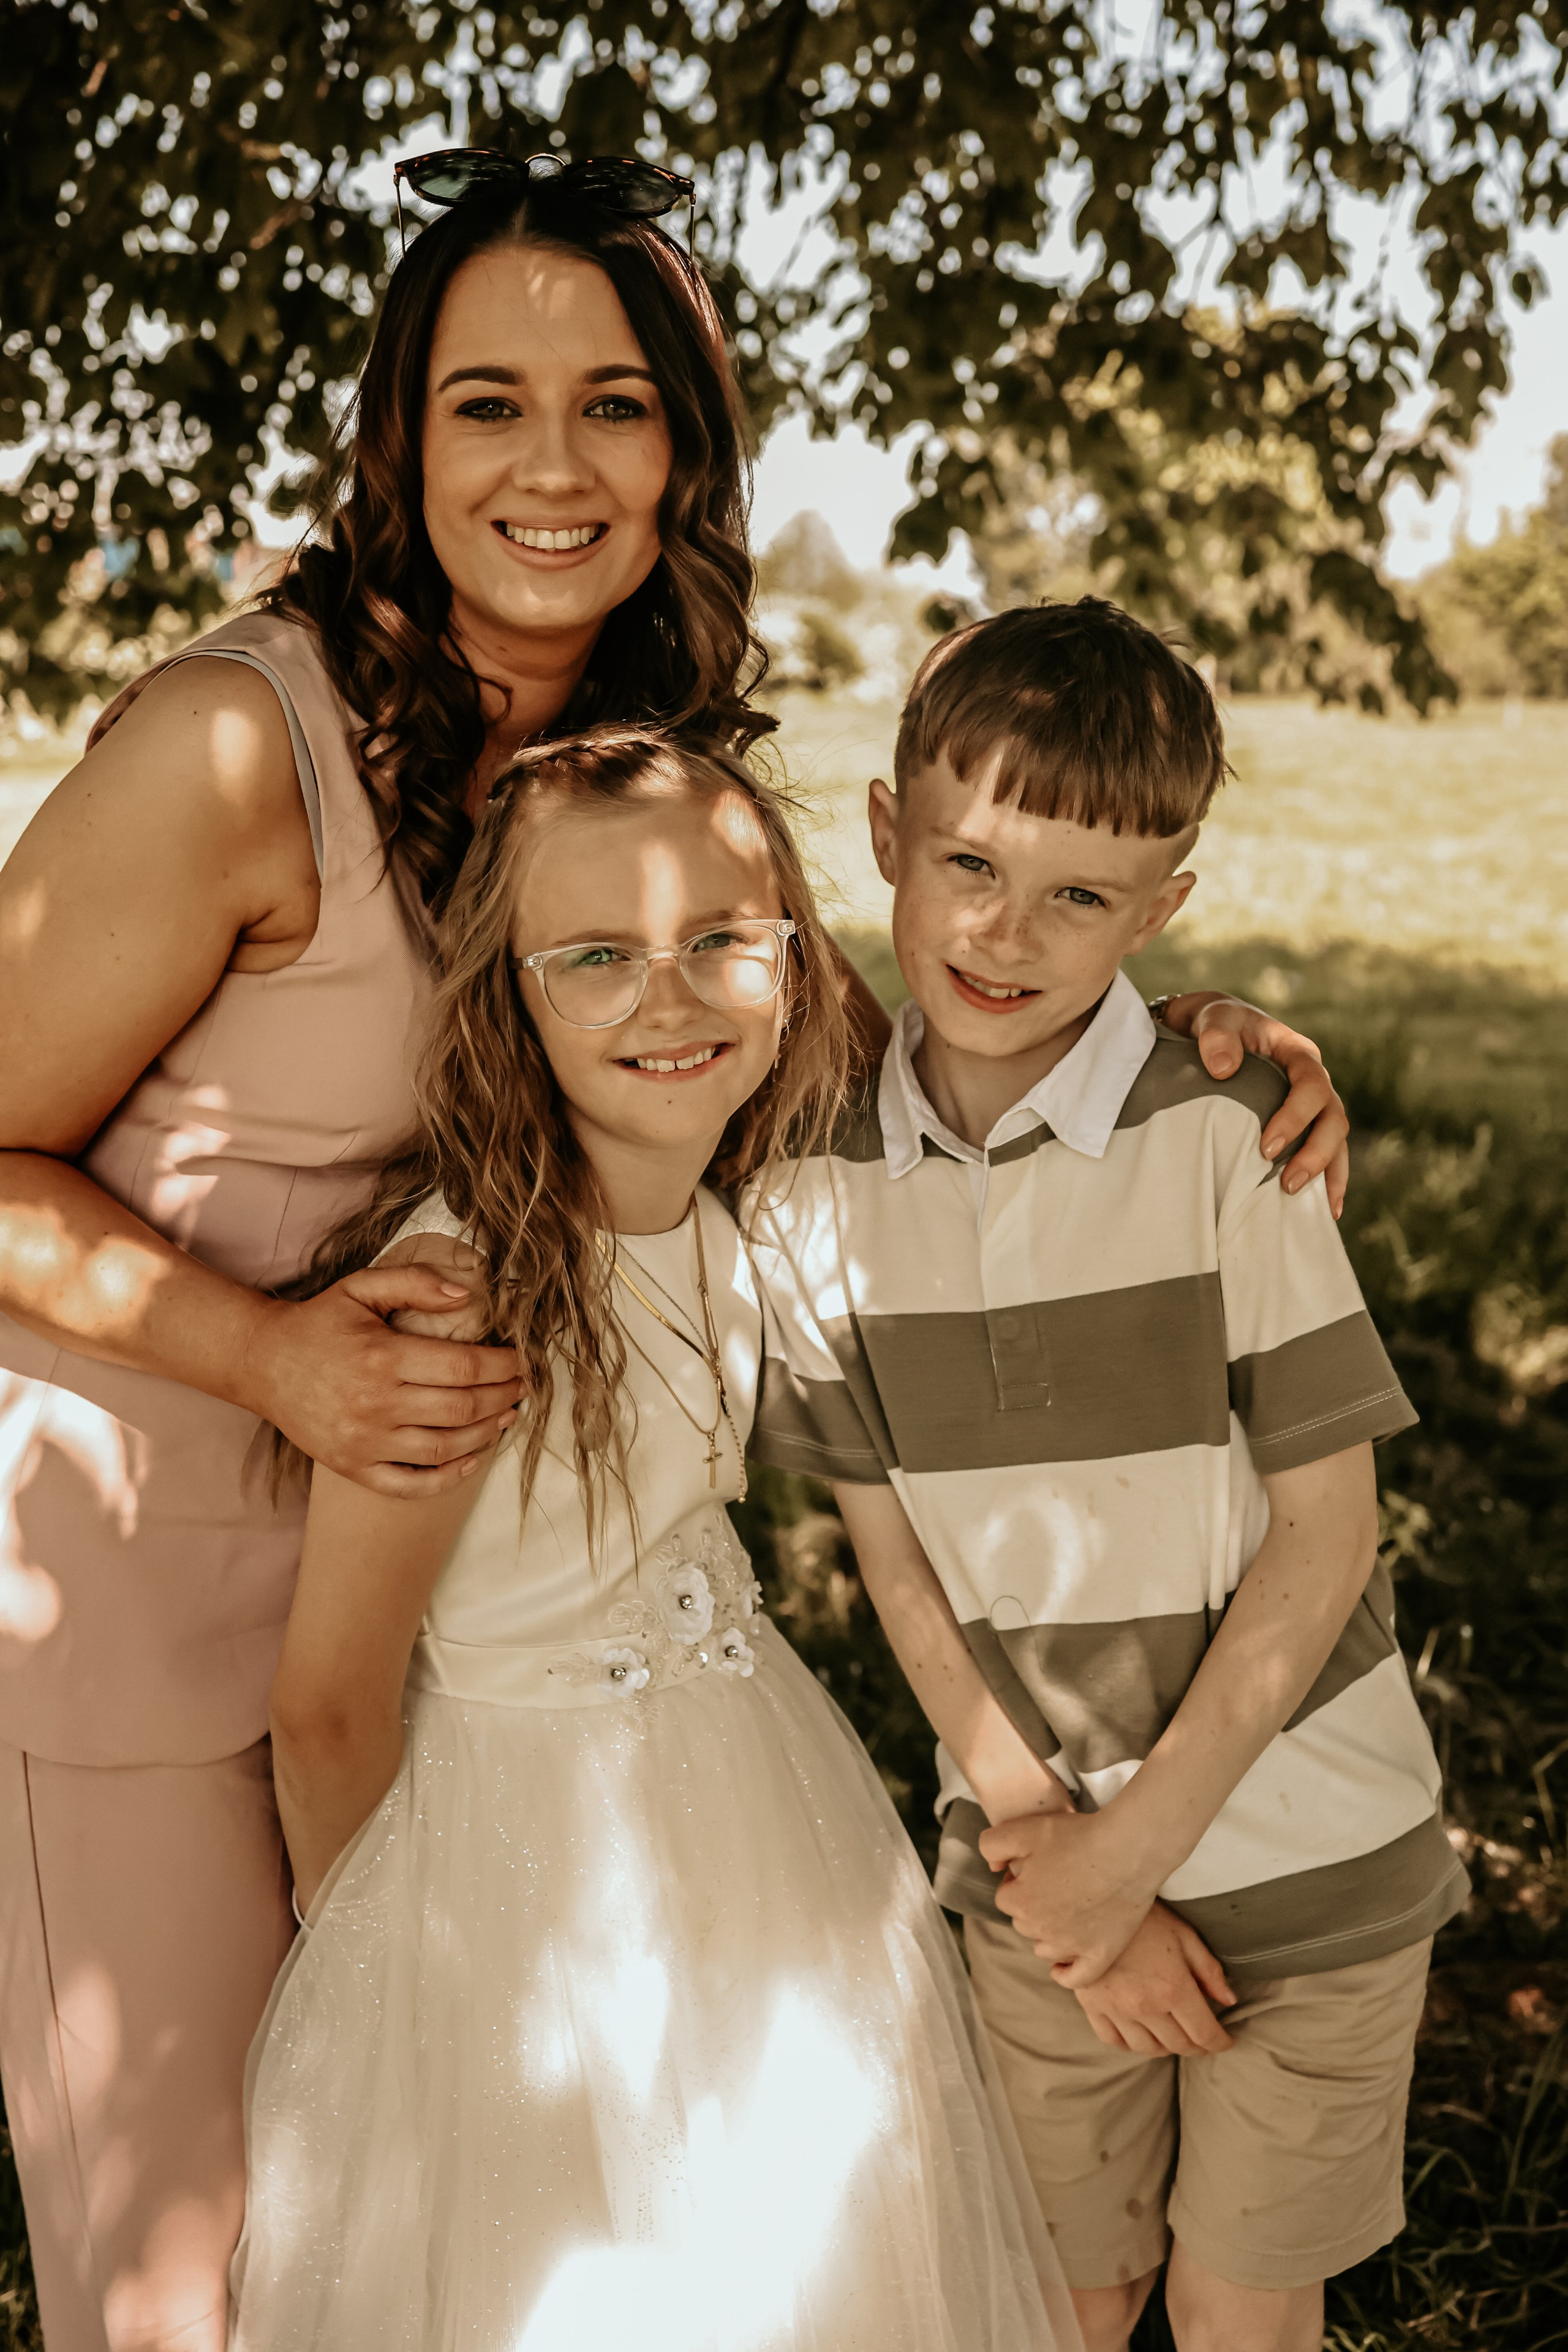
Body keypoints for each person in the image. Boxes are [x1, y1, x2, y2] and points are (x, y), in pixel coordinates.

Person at [0, 143, 1342, 2348]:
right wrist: (268, 1356)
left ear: (685, 453)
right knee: (201, 2297)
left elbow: (810, 1057)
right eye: (485, 402)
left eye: (616, 402)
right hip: (163, 1612)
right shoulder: (244, 743)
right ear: (395, 438)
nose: (554, 463)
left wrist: (1175, 1048)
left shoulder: (642, 759)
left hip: (479, 1653)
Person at [227, 726, 1082, 2352]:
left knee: (781, 2247)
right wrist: (395, 2004)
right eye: (598, 958)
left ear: (793, 960)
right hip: (511, 1881)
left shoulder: (728, 1215)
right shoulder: (461, 1297)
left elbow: (1022, 1065)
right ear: (513, 997)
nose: (669, 1000)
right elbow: (327, 1706)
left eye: (719, 942)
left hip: (750, 1817)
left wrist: (1222, 1038)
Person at [744, 600, 1469, 2352]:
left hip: (1312, 1862)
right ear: (883, 838)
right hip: (1041, 1864)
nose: (1007, 933)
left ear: (1164, 914)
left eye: (1083, 896)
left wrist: (1133, 1854)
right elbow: (894, 1562)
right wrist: (1059, 1861)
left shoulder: (1229, 1141)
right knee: (1062, 2294)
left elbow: (1326, 1536)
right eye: (970, 864)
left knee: (1237, 2310)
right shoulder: (816, 1195)